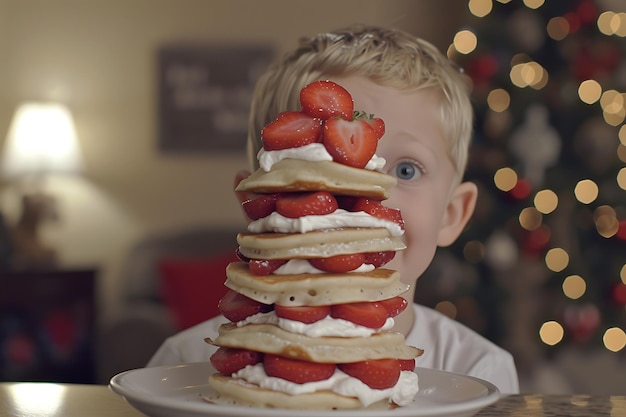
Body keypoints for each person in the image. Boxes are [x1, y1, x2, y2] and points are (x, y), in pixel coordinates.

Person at [147, 24, 520, 394]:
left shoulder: (479, 374)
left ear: (452, 214)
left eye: (406, 170)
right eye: (322, 163)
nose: (365, 200)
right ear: (259, 203)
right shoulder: (182, 364)